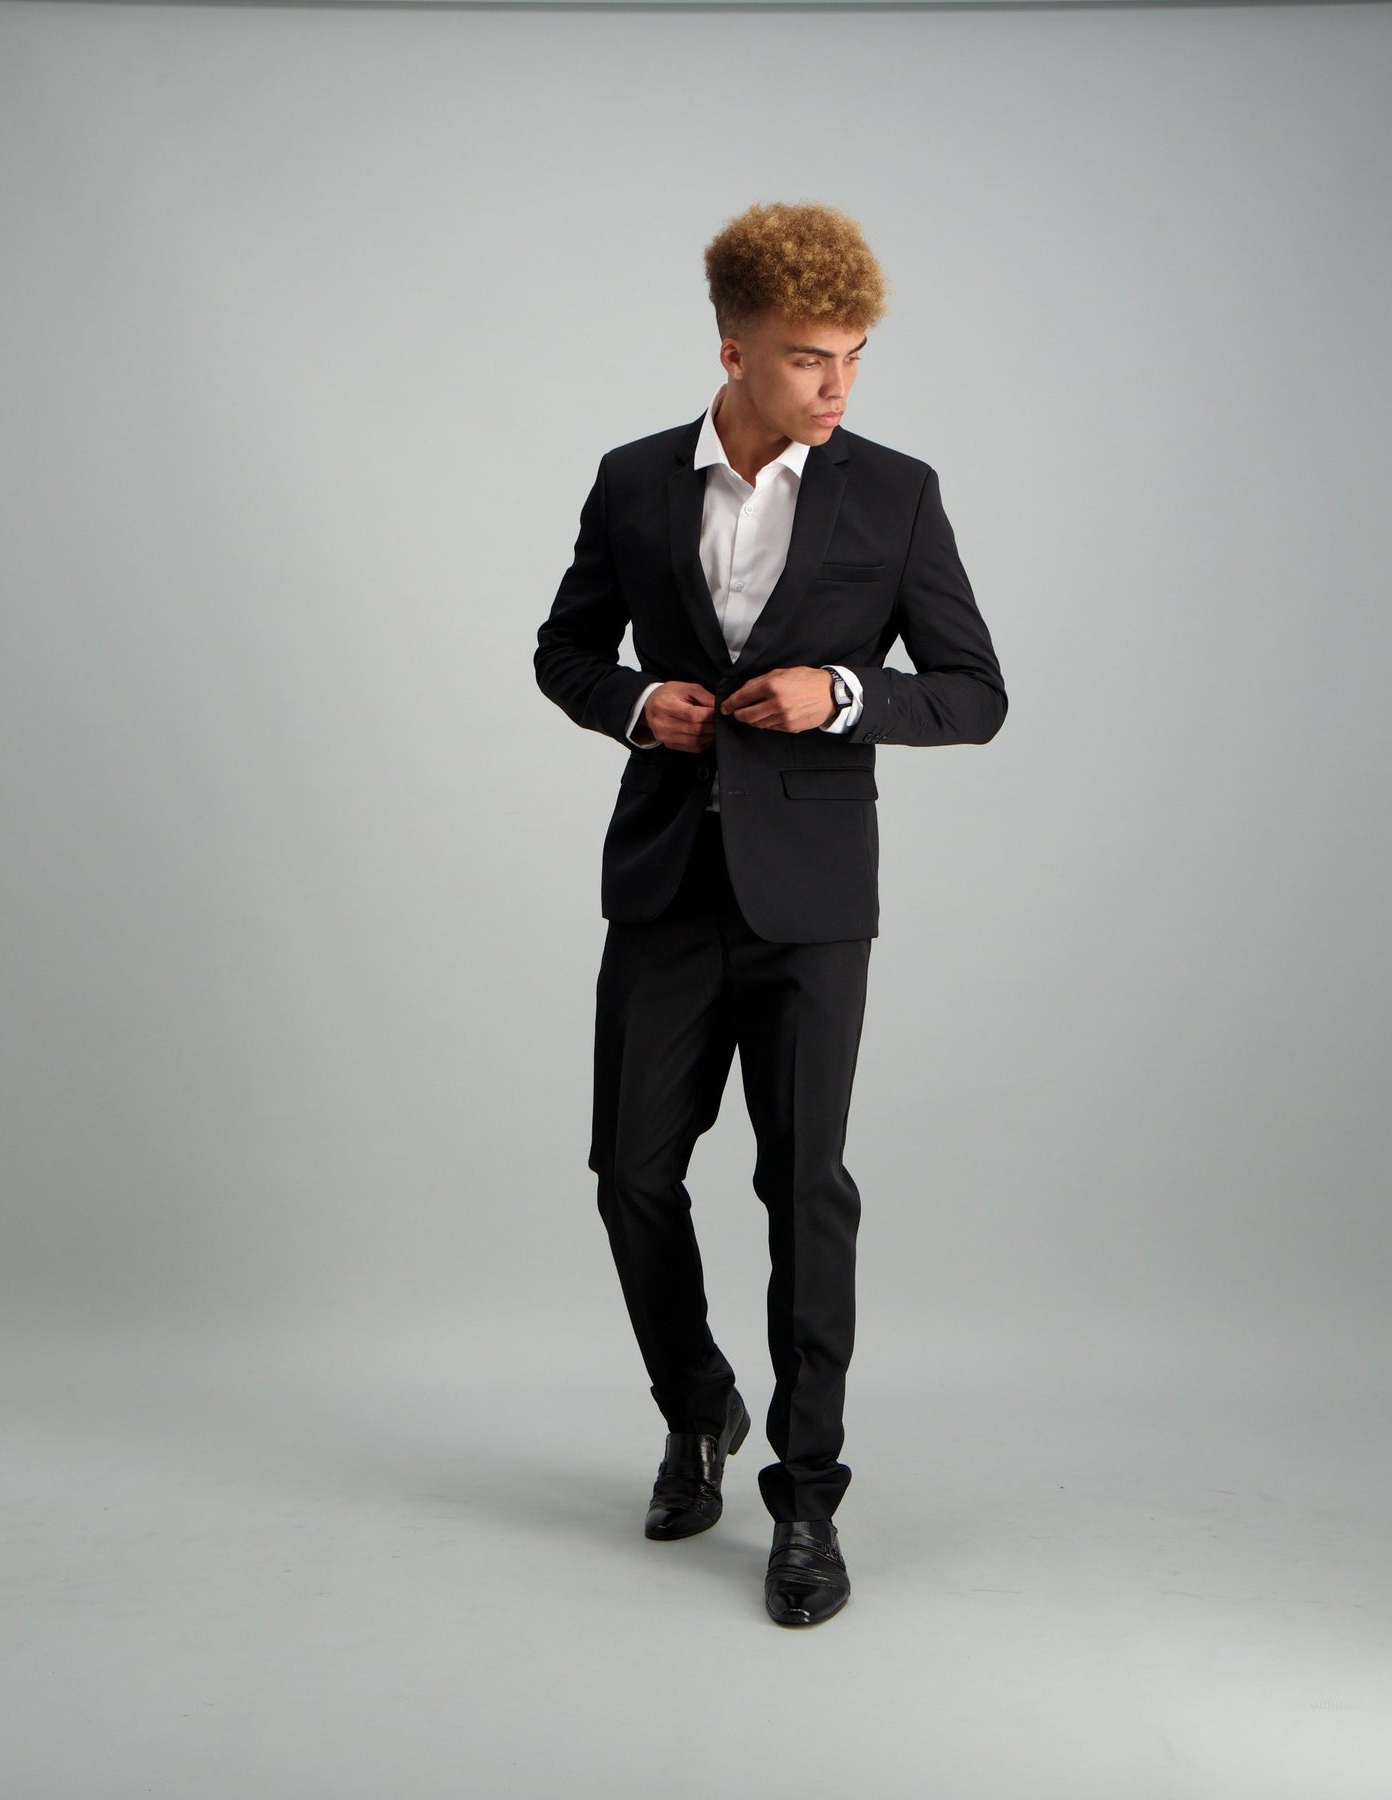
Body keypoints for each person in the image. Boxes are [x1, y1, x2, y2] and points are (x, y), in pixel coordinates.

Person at [534, 200, 1007, 1627]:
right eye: (810, 357)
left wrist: (843, 694)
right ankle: (699, 1411)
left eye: (854, 355)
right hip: (667, 883)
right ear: (734, 351)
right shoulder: (632, 481)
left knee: (803, 1189)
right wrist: (637, 705)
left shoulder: (895, 493)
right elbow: (565, 649)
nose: (838, 384)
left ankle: (807, 1502)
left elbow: (976, 693)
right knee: (631, 1172)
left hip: (812, 899)